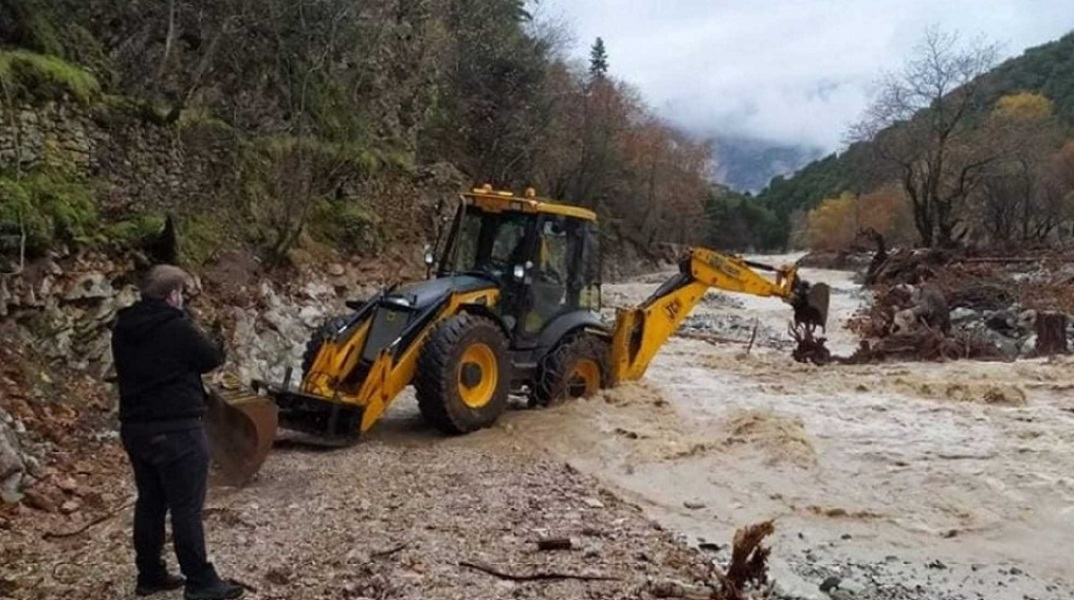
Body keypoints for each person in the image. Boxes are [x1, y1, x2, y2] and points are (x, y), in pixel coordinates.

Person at [111, 265, 244, 600]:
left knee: (151, 502)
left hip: (136, 428)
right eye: (181, 293)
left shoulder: (123, 327)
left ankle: (150, 574)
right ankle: (201, 581)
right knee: (186, 508)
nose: (183, 299)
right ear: (173, 295)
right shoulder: (177, 328)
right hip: (177, 428)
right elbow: (209, 358)